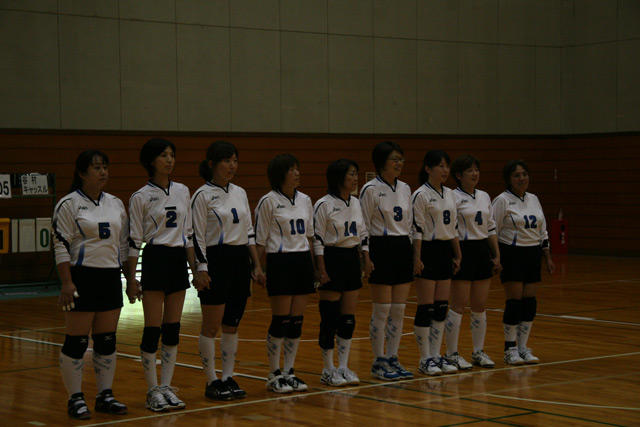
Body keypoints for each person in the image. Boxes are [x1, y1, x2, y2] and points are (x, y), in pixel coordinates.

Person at [53, 150, 130, 420]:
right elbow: (60, 245)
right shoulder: (69, 204)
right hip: (81, 276)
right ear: (82, 173)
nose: (103, 172)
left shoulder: (116, 203)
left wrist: (130, 279)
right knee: (76, 341)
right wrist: (67, 282)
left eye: (105, 167)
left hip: (110, 277)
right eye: (97, 167)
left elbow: (123, 245)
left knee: (106, 340)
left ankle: (105, 395)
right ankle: (75, 398)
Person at [127, 138, 202, 412]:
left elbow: (189, 235)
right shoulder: (140, 197)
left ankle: (167, 386)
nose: (169, 160)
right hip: (155, 258)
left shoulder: (183, 191)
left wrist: (196, 269)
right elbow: (134, 240)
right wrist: (131, 279)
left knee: (172, 328)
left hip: (177, 259)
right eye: (163, 155)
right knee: (152, 329)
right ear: (150, 161)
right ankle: (152, 390)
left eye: (172, 155)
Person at [191, 141, 265, 400]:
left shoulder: (240, 192)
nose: (232, 166)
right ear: (212, 164)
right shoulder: (201, 195)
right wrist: (201, 268)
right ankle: (211, 380)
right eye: (226, 161)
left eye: (235, 160)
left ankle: (228, 377)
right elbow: (196, 236)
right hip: (216, 260)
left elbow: (249, 231)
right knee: (212, 326)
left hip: (239, 260)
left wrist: (256, 265)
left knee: (232, 324)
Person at [255, 154, 315, 393]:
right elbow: (260, 240)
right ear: (280, 174)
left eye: (298, 168)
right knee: (280, 320)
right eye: (292, 169)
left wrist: (315, 267)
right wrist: (256, 268)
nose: (297, 173)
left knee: (296, 321)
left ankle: (289, 371)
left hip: (302, 260)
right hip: (280, 261)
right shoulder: (268, 201)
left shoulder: (305, 200)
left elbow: (309, 236)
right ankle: (274, 373)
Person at [313, 159, 371, 387]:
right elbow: (317, 239)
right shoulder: (324, 204)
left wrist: (366, 258)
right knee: (329, 317)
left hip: (351, 259)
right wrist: (321, 269)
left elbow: (363, 233)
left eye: (356, 174)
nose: (355, 179)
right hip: (332, 257)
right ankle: (328, 369)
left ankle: (343, 366)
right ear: (338, 178)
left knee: (348, 319)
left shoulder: (356, 203)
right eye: (351, 174)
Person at [359, 141, 413, 381]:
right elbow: (363, 225)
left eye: (401, 159)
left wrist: (413, 253)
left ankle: (393, 357)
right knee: (382, 309)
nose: (399, 163)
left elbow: (410, 224)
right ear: (382, 163)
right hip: (380, 246)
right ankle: (378, 360)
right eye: (394, 159)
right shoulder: (370, 189)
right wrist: (366, 256)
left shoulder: (405, 188)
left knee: (398, 310)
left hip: (402, 246)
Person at [492, 160, 555, 365]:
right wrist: (496, 257)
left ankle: (523, 347)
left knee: (529, 302)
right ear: (509, 179)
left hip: (533, 253)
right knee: (514, 302)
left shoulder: (533, 199)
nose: (522, 179)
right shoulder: (502, 200)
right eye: (517, 175)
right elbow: (493, 230)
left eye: (524, 174)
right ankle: (509, 348)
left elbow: (542, 231)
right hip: (512, 253)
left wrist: (547, 257)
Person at [444, 155, 500, 370]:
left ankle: (478, 351)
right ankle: (451, 353)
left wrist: (496, 254)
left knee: (479, 305)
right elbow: (450, 228)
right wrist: (457, 255)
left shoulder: (484, 196)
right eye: (470, 170)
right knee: (458, 305)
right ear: (459, 175)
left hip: (482, 249)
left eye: (477, 169)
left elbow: (491, 227)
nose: (475, 174)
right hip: (463, 249)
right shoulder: (452, 196)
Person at [411, 150, 462, 376]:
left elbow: (453, 229)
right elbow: (416, 230)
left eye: (447, 166)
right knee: (426, 307)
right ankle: (424, 358)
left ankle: (436, 355)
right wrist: (417, 257)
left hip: (444, 250)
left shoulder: (450, 194)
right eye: (440, 166)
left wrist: (458, 254)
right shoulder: (420, 195)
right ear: (428, 169)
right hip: (427, 250)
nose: (445, 170)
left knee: (441, 308)